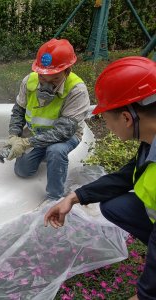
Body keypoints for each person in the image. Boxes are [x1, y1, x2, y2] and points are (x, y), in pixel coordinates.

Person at [44, 56, 156, 300]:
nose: (107, 126)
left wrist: (145, 294)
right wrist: (74, 197)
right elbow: (127, 175)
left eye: (106, 119)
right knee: (115, 206)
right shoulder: (151, 140)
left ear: (127, 118)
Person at [4, 38, 90, 201]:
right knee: (22, 171)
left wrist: (26, 144)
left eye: (55, 79)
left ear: (67, 71)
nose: (47, 83)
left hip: (67, 135)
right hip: (37, 133)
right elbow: (18, 111)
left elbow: (63, 132)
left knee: (55, 151)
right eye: (43, 77)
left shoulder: (77, 90)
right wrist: (14, 136)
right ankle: (43, 154)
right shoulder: (29, 81)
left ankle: (55, 197)